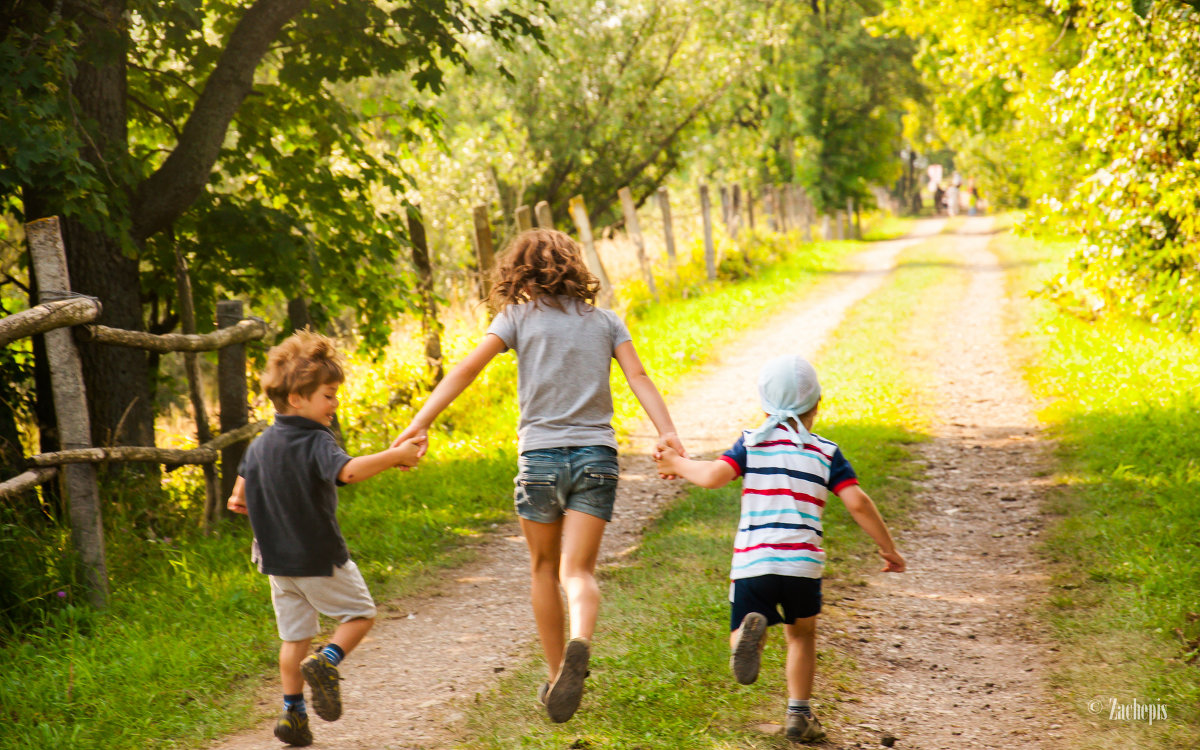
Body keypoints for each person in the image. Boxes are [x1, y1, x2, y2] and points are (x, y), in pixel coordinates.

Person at [391, 228, 684, 723]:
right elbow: (639, 377)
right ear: (574, 268)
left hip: (541, 461)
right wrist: (668, 433)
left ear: (520, 273)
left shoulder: (516, 318)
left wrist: (419, 422)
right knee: (580, 571)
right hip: (596, 457)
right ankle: (580, 640)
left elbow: (465, 370)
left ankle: (555, 678)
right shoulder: (607, 321)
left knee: (543, 570)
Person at [653, 354, 906, 743]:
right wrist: (888, 548)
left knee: (743, 623)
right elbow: (858, 502)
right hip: (802, 565)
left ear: (764, 405)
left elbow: (713, 477)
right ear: (816, 406)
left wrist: (677, 462)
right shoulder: (826, 452)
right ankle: (798, 713)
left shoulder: (751, 444)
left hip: (755, 561)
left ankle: (747, 637)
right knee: (802, 634)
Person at [228, 330, 426, 747]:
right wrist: (397, 456)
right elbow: (349, 472)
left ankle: (293, 715)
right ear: (298, 398)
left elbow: (238, 494)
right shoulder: (316, 440)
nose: (336, 405)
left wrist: (245, 501)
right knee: (359, 615)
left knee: (293, 640)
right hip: (318, 556)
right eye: (329, 396)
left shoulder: (260, 444)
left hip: (276, 564)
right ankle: (328, 660)